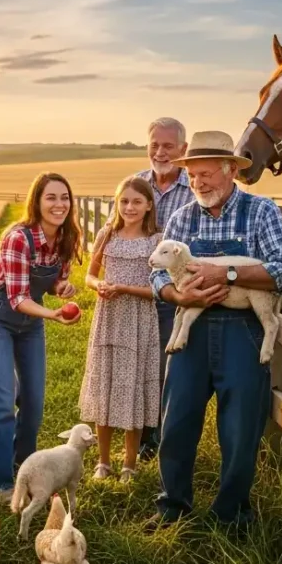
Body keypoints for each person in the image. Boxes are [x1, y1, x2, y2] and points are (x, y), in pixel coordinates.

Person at [147, 131, 282, 530]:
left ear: (231, 170)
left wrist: (228, 272)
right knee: (177, 419)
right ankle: (172, 506)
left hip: (242, 331)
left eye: (206, 175)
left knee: (239, 427)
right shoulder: (182, 218)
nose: (198, 183)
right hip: (191, 332)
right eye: (193, 175)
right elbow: (156, 280)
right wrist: (176, 296)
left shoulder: (261, 211)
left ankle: (232, 514)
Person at [0, 172, 82, 500]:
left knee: (35, 402)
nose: (59, 204)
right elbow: (17, 298)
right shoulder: (19, 238)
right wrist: (52, 314)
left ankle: (25, 468)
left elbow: (51, 282)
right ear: (36, 202)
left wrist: (61, 288)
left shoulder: (67, 236)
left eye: (64, 197)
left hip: (30, 322)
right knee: (1, 403)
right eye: (51, 197)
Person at [79, 175, 162, 483]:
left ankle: (129, 463)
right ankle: (103, 461)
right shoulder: (106, 234)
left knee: (133, 388)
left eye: (137, 201)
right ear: (117, 204)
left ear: (148, 205)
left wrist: (125, 288)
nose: (129, 207)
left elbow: (158, 289)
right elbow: (89, 275)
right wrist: (98, 284)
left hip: (139, 321)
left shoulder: (156, 240)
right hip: (108, 318)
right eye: (124, 201)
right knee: (106, 386)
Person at [134, 117, 197, 460]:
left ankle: (158, 436)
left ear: (183, 150)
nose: (160, 152)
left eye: (168, 146)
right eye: (154, 144)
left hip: (174, 292)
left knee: (164, 363)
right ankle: (138, 430)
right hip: (133, 292)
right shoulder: (136, 184)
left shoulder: (195, 187)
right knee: (139, 361)